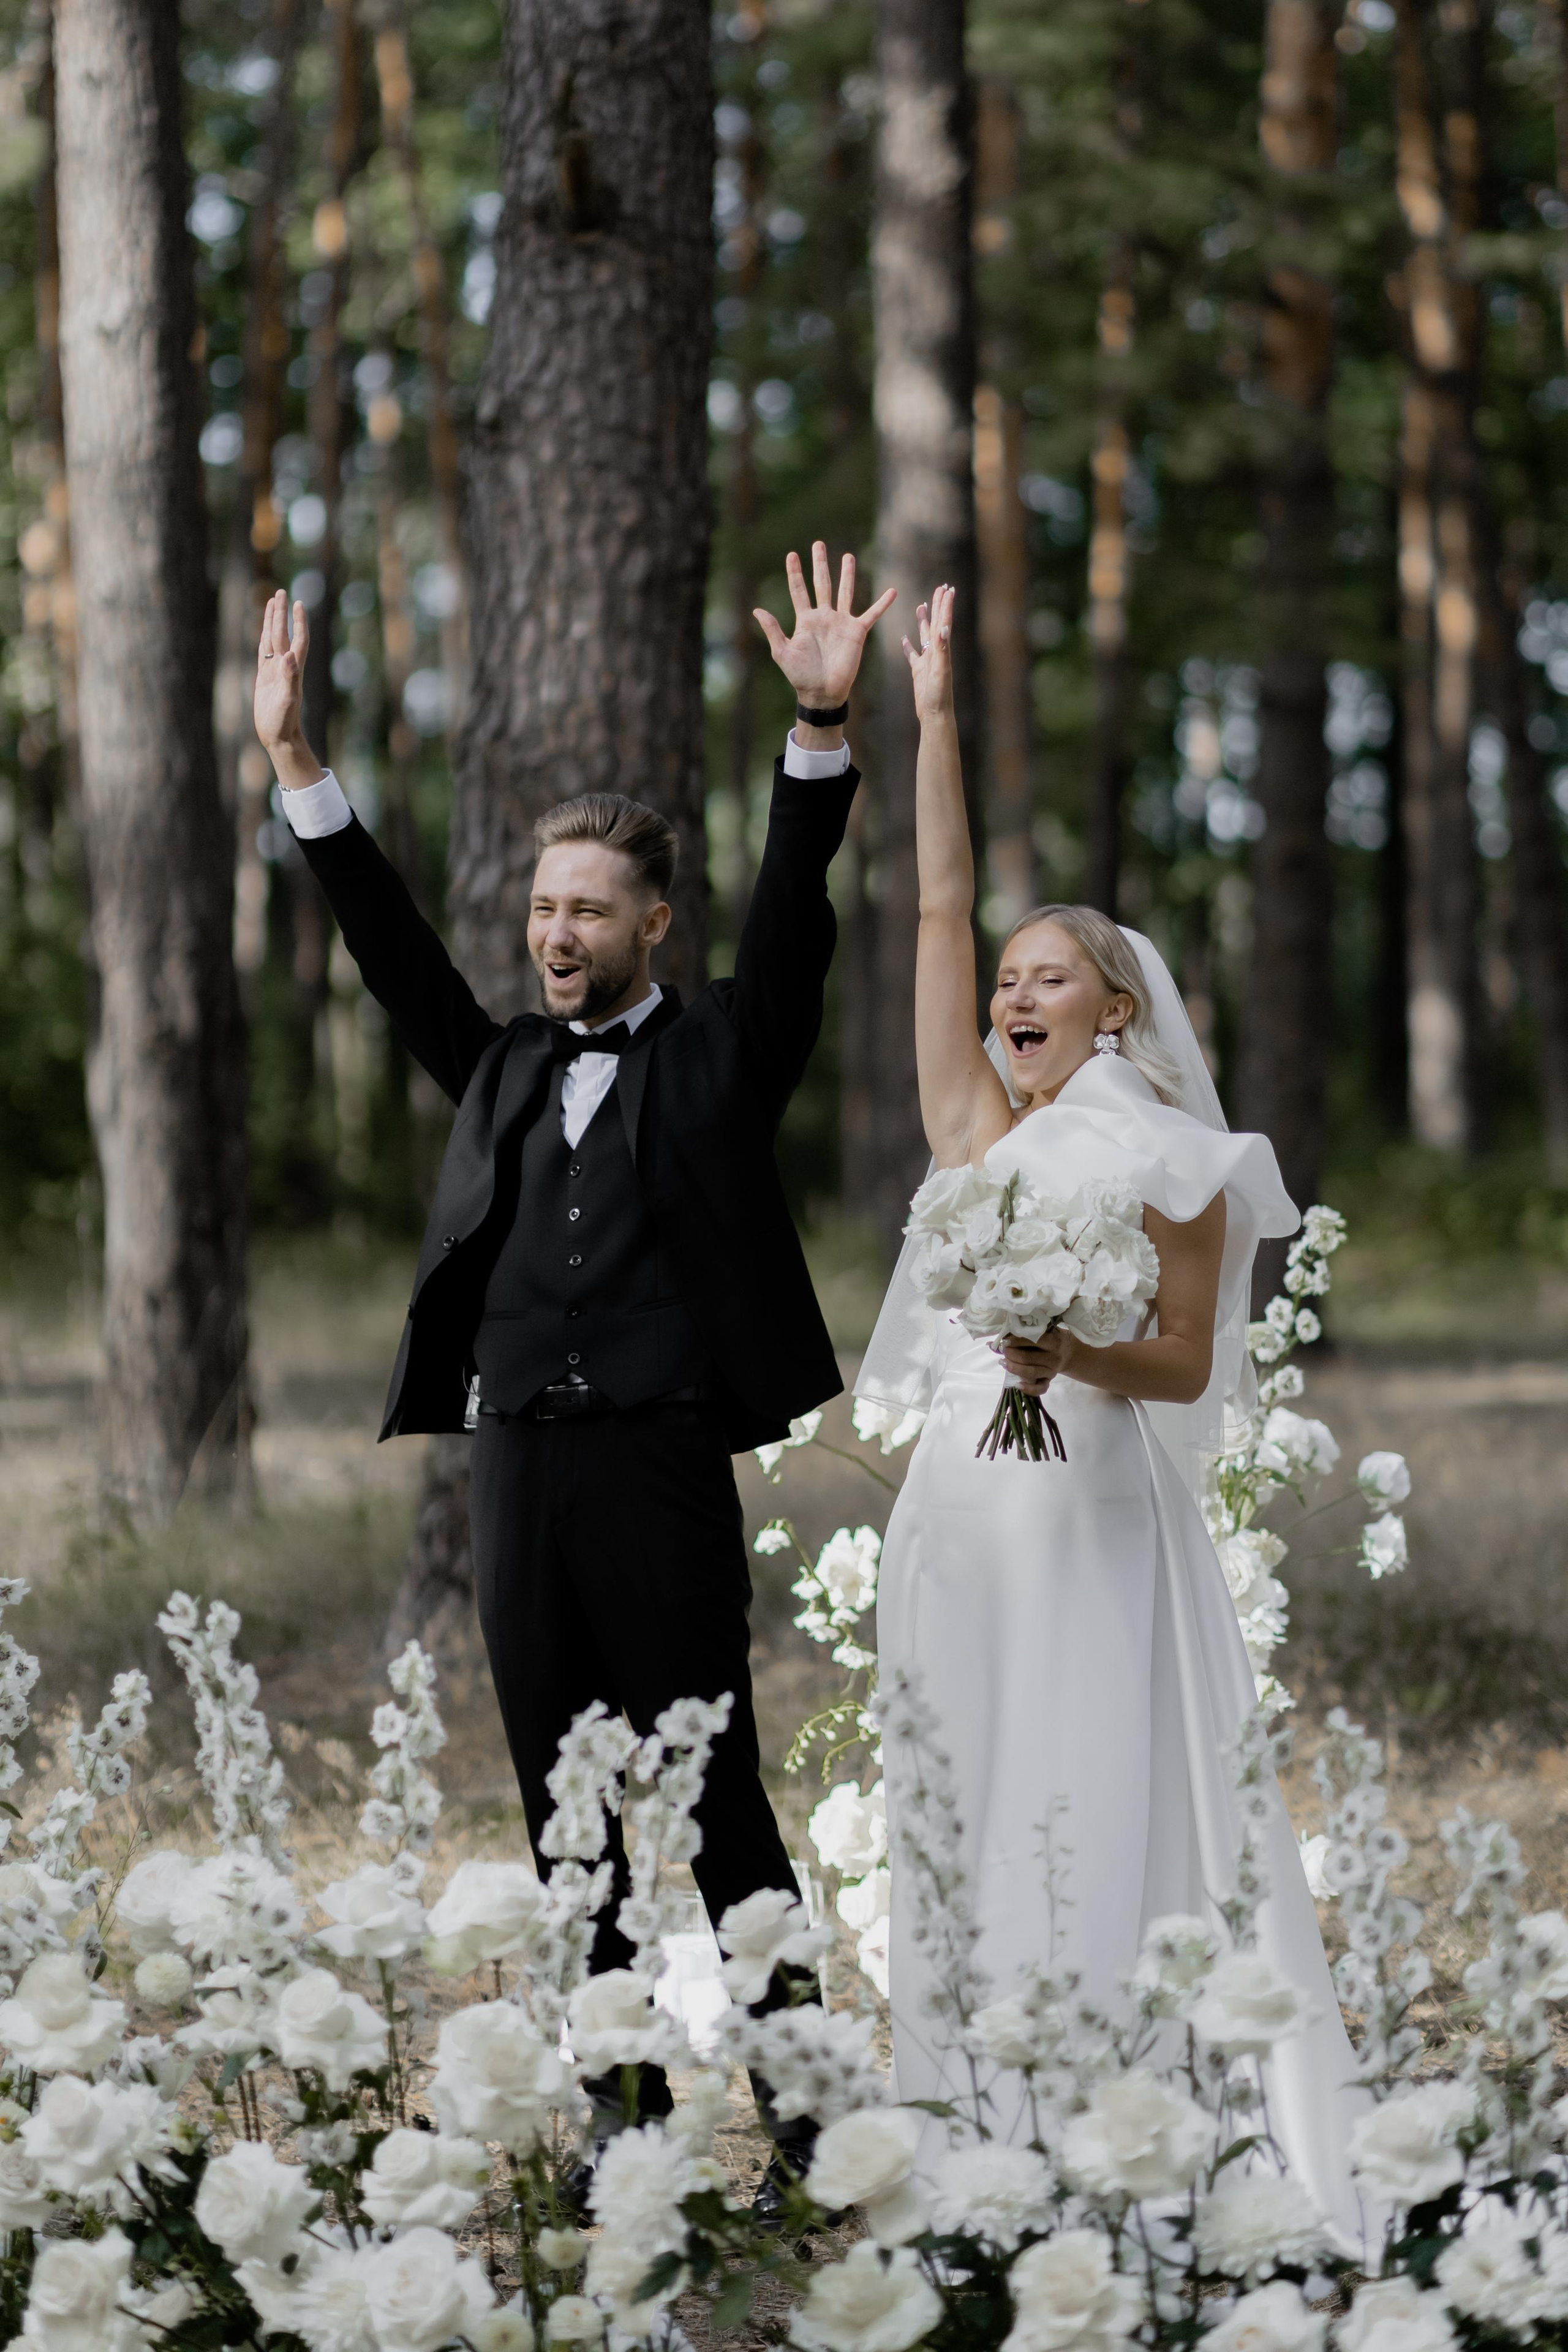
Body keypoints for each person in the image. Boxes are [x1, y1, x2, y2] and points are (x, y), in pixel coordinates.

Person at [252, 544, 894, 2220]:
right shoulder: (501, 1066)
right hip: (517, 1475)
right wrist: (303, 773)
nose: (557, 931)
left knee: (724, 1807)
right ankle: (629, 2142)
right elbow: (391, 950)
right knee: (567, 1817)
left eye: (588, 908)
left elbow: (795, 919)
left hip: (667, 1470)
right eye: (543, 908)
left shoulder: (723, 1055)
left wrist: (817, 730)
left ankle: (821, 2141)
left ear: (650, 922)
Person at [855, 584, 1370, 2247]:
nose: (1014, 990)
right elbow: (935, 912)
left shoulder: (1179, 1158)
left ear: (1117, 1009)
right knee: (960, 1801)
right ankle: (967, 2148)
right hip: (959, 1515)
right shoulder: (973, 1132)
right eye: (1010, 977)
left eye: (1050, 974)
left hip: (1092, 1516)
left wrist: (1057, 1352)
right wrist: (929, 723)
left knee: (1083, 1798)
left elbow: (1183, 1364)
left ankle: (1124, 2154)